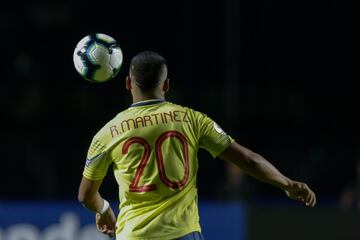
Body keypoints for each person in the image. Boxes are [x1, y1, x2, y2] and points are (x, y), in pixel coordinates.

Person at [77, 51, 316, 240]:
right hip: (182, 233)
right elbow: (247, 159)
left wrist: (104, 209)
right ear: (166, 85)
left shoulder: (107, 133)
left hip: (133, 235)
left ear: (128, 83)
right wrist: (286, 183)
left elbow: (86, 195)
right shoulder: (192, 119)